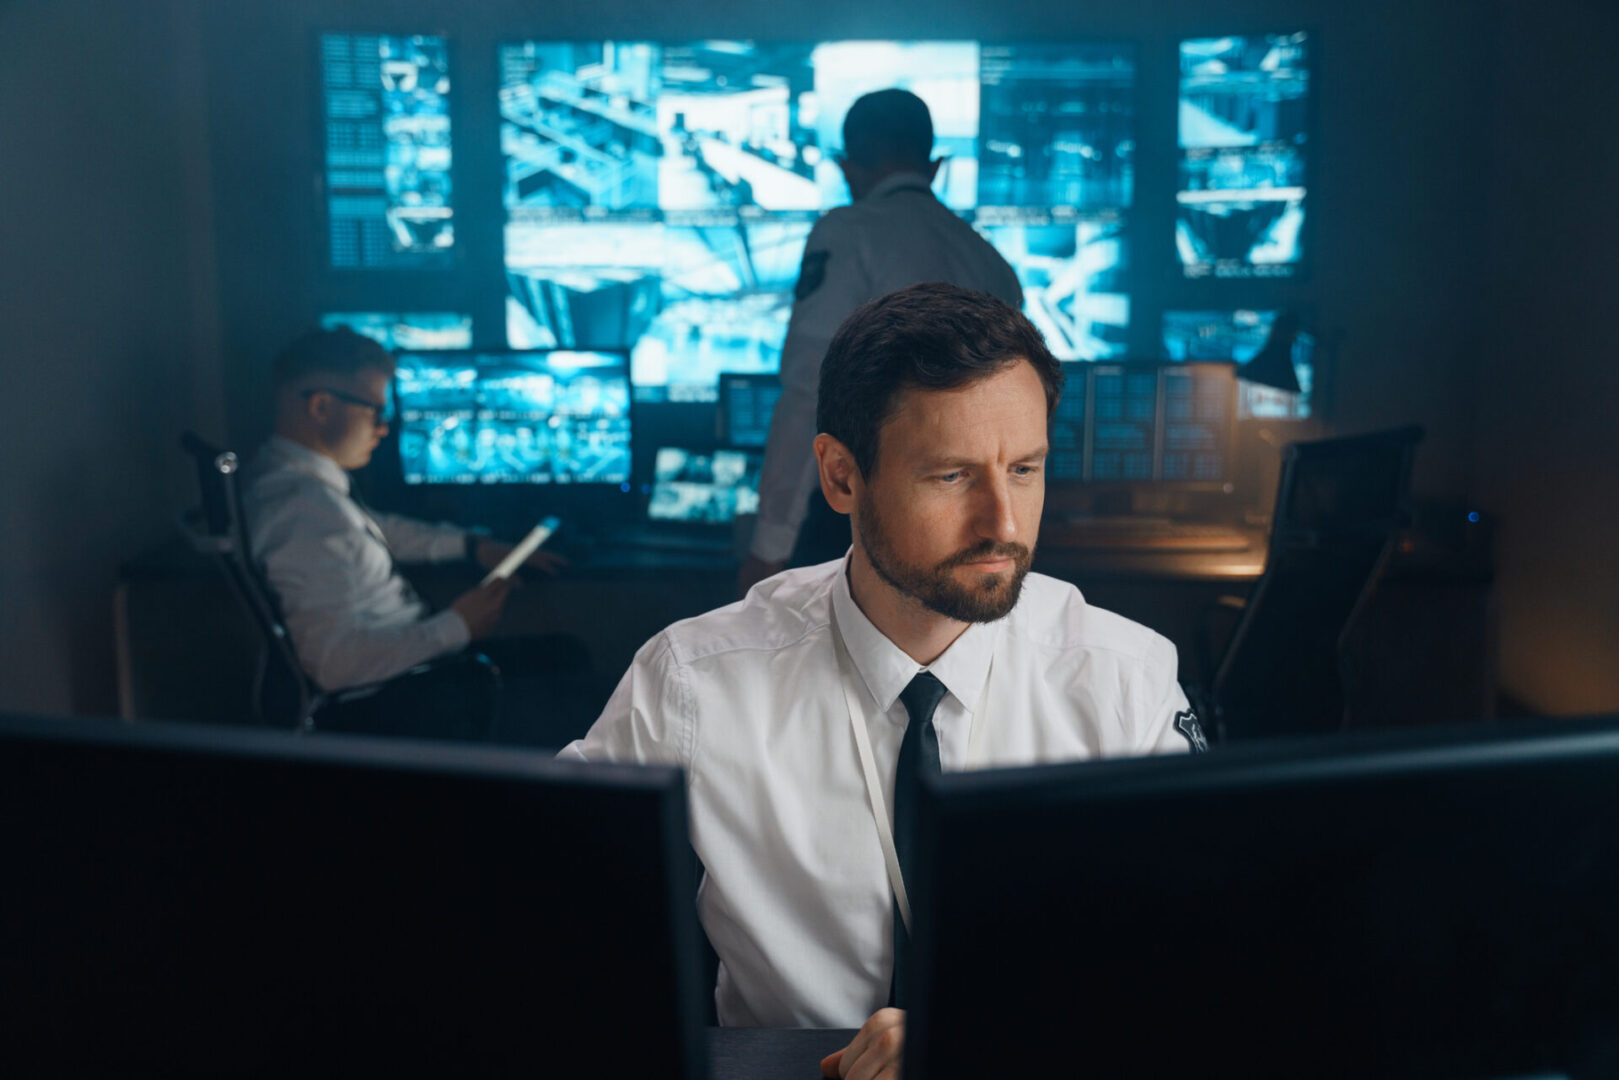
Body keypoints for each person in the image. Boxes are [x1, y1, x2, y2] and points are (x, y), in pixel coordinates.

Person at [562, 284, 1207, 1078]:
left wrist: (988, 1037)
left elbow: (1196, 967)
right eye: (951, 476)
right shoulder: (693, 683)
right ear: (840, 476)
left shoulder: (1124, 680)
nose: (1003, 524)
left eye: (1024, 469)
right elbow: (537, 905)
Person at [739, 88, 1023, 597]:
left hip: (862, 522)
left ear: (847, 167)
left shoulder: (846, 233)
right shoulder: (991, 261)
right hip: (970, 521)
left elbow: (810, 391)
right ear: (934, 166)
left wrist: (770, 543)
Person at [240, 328, 568, 698]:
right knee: (568, 662)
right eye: (376, 411)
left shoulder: (297, 486)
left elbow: (374, 529)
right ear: (321, 407)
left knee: (564, 654)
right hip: (399, 698)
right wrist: (458, 625)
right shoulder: (302, 513)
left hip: (410, 664)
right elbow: (334, 665)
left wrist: (472, 545)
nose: (384, 429)